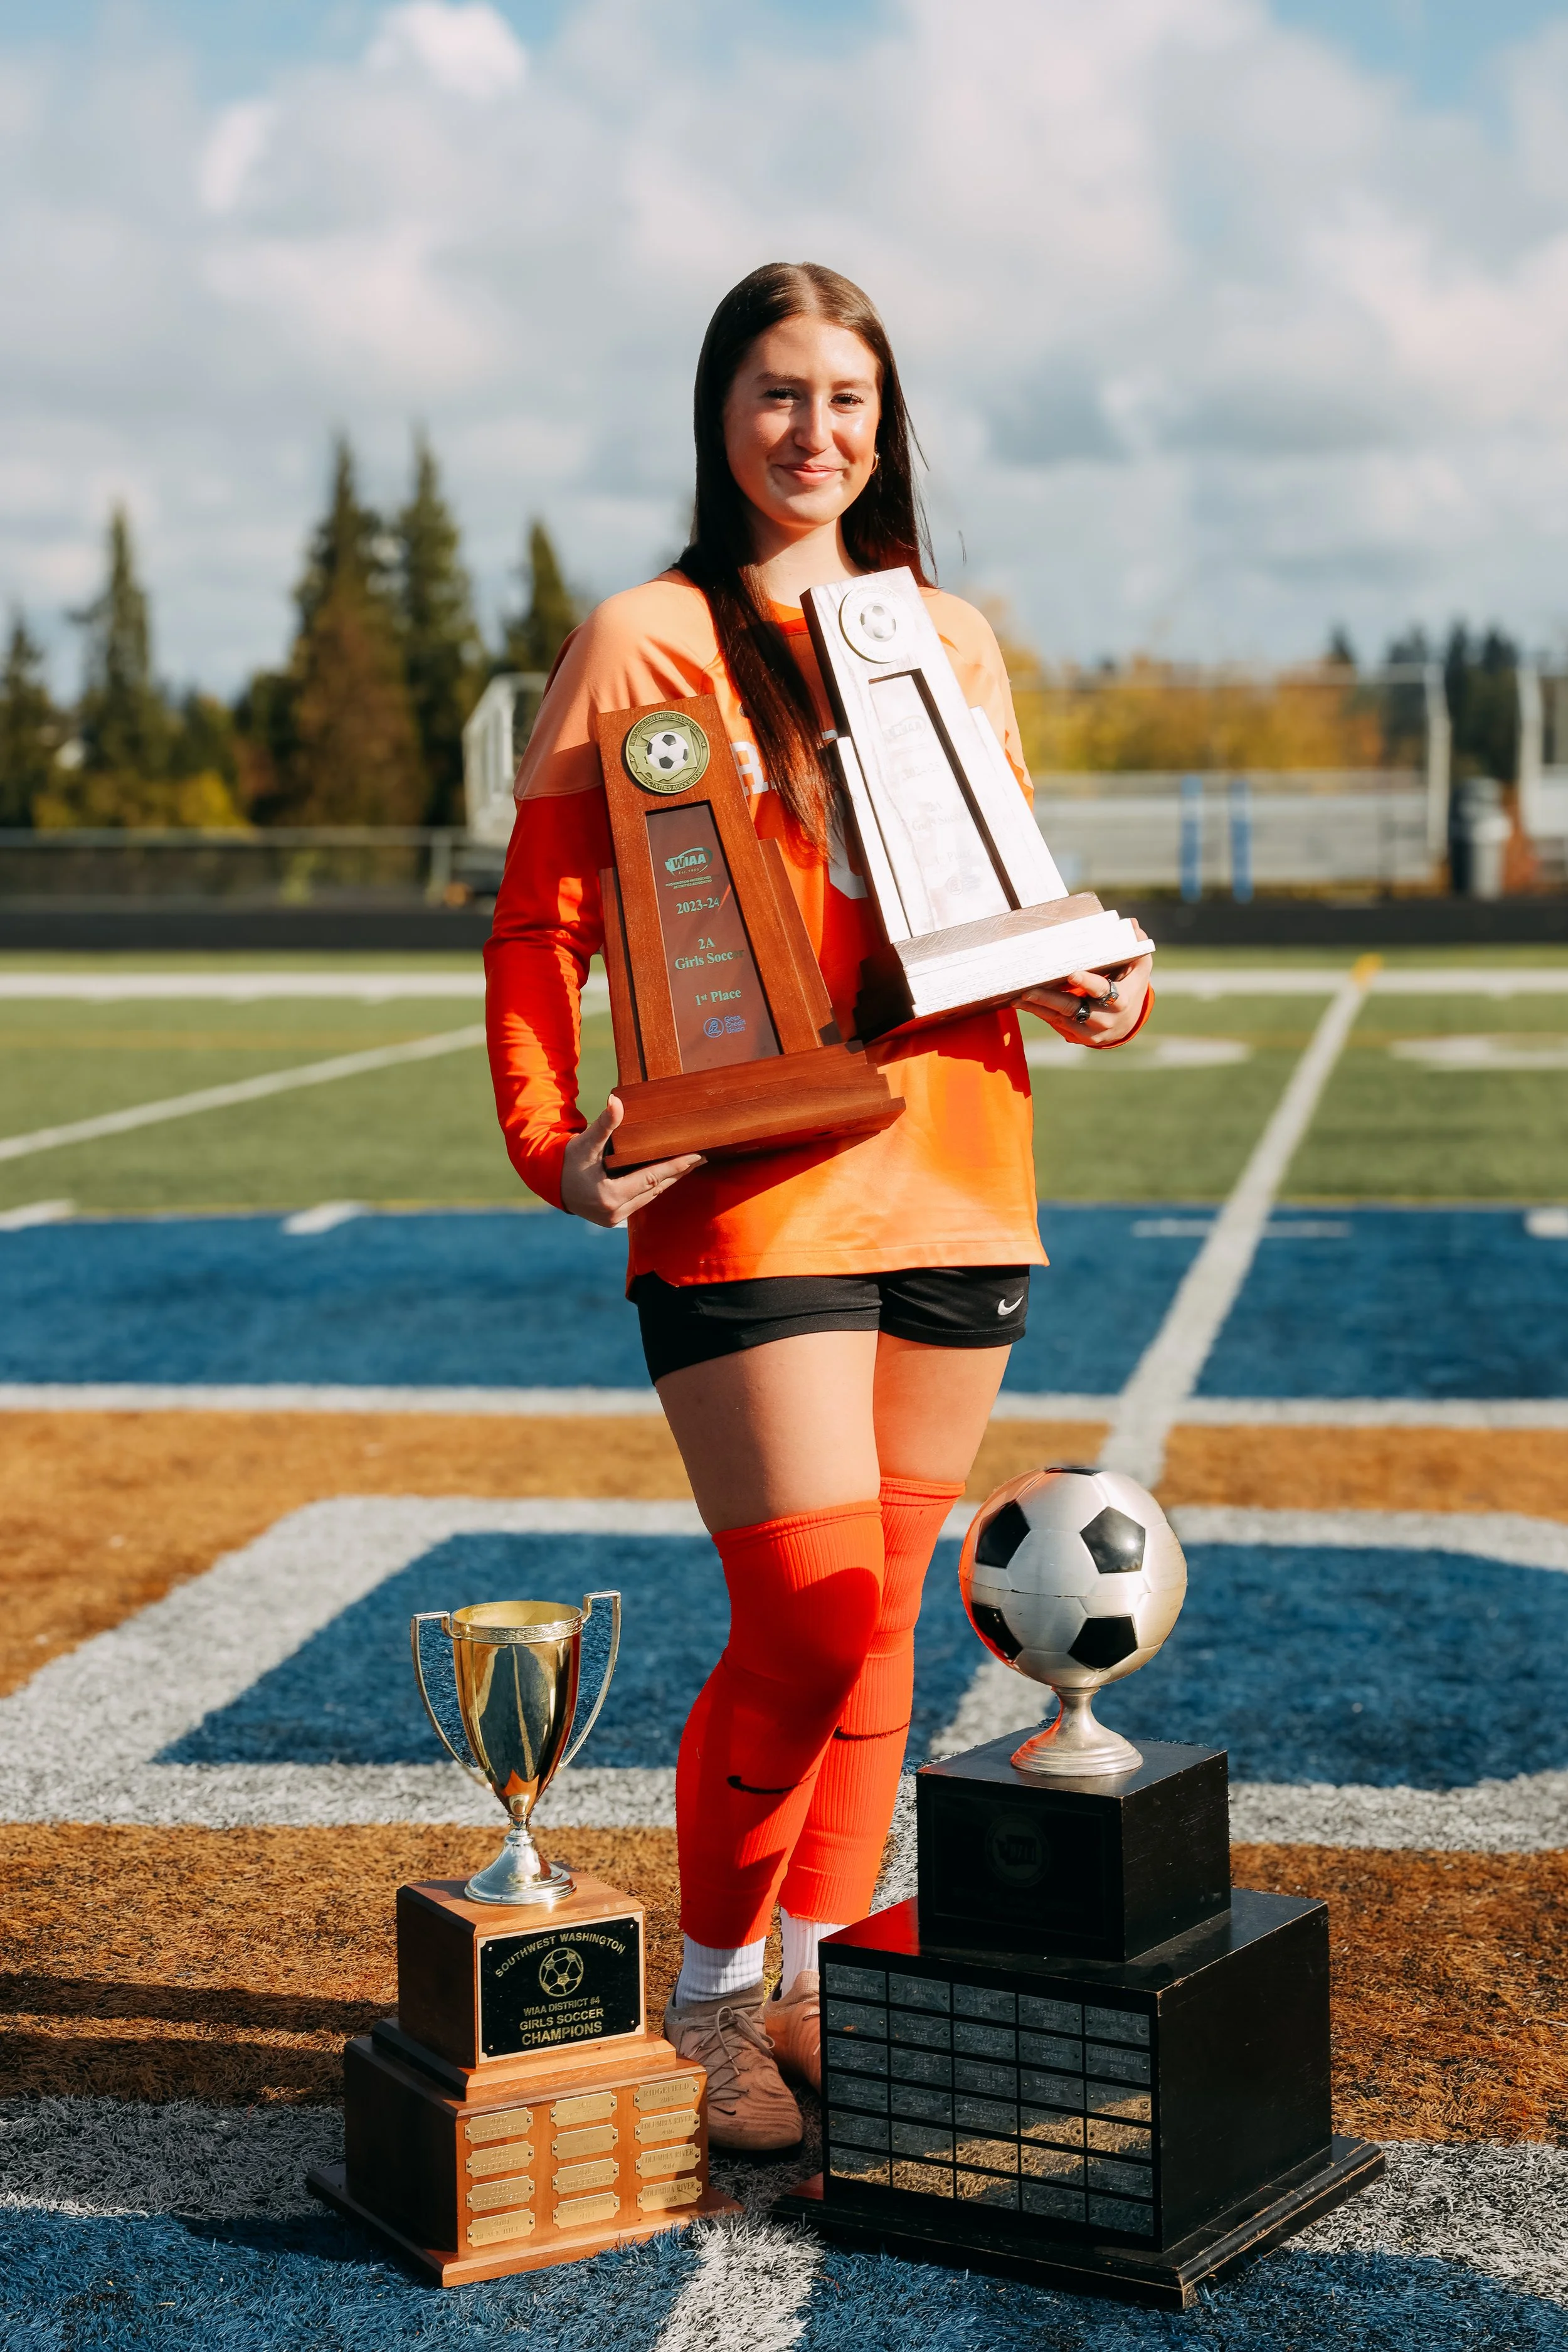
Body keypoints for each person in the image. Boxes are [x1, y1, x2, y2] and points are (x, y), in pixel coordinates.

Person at [485, 262, 1153, 2150]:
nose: (813, 431)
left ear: (886, 422)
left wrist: (1101, 980)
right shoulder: (648, 635)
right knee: (807, 1614)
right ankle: (707, 1991)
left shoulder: (941, 629)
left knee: (880, 1641)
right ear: (719, 414)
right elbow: (539, 920)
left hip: (954, 1158)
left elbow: (999, 895)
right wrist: (555, 1135)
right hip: (752, 1190)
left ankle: (817, 1969)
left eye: (846, 398)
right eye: (777, 393)